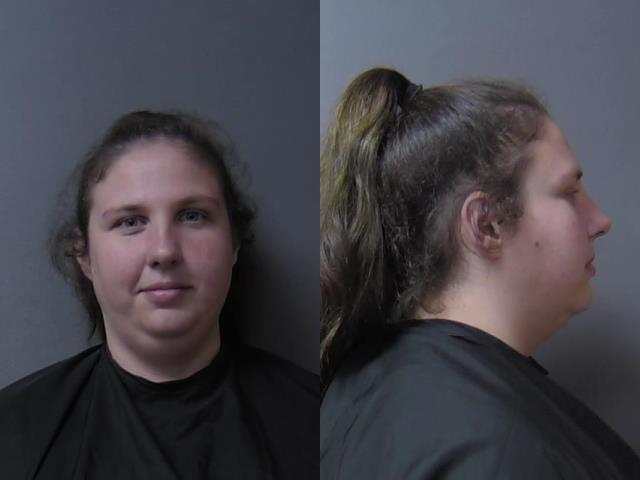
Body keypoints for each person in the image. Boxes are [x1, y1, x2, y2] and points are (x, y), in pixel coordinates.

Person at [320, 68, 640, 479]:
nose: (600, 221)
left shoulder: (372, 384)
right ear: (486, 224)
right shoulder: (498, 448)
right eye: (569, 192)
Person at [0, 110, 318, 479]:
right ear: (84, 256)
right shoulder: (14, 435)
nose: (164, 251)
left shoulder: (320, 422)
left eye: (192, 216)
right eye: (130, 222)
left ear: (233, 243)